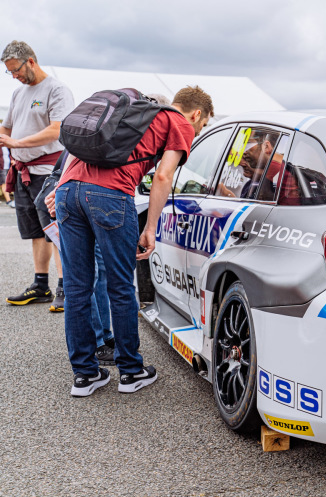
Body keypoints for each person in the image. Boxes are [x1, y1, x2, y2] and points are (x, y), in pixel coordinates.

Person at [49, 86, 213, 397]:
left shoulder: (135, 113)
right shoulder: (178, 122)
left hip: (67, 192)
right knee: (121, 286)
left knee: (76, 287)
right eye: (202, 125)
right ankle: (130, 371)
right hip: (109, 195)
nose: (198, 130)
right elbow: (163, 176)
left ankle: (85, 375)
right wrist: (150, 227)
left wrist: (61, 192)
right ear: (196, 114)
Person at [0, 40, 73, 310]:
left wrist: (17, 143)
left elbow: (57, 129)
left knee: (56, 231)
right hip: (24, 172)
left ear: (30, 61)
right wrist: (5, 139)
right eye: (9, 72)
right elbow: (7, 127)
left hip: (48, 172)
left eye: (16, 70)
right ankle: (41, 286)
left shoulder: (57, 90)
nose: (14, 76)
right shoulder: (18, 93)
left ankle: (65, 287)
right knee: (35, 232)